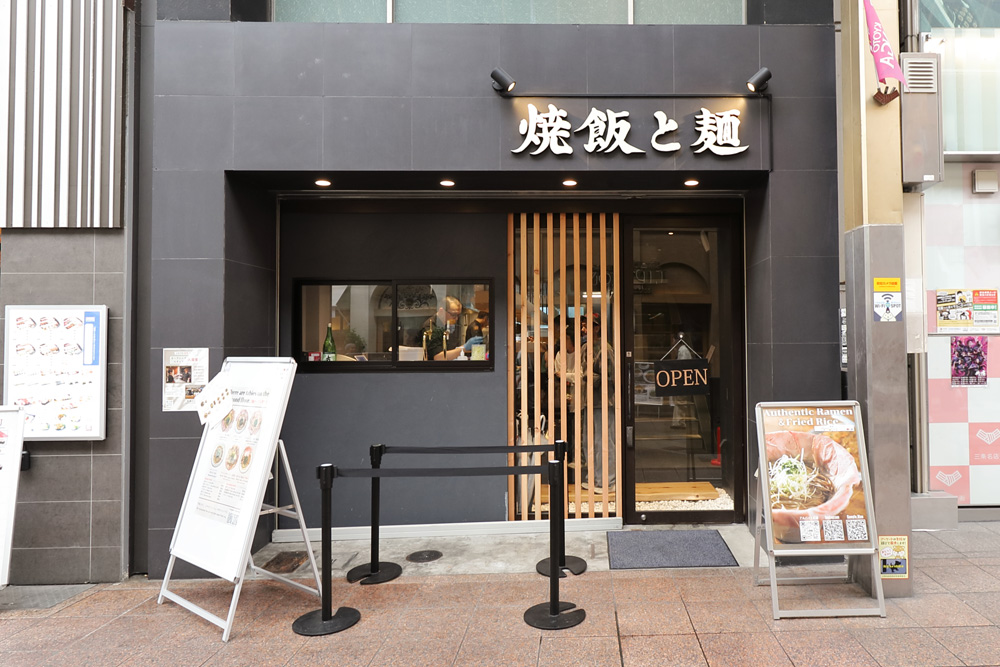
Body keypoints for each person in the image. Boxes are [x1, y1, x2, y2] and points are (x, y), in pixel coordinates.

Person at [579, 313, 615, 492]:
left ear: (597, 328)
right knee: (589, 441)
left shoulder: (605, 348)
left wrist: (590, 377)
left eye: (587, 326)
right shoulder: (585, 347)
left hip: (604, 400)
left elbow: (612, 375)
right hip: (589, 400)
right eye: (583, 325)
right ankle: (594, 477)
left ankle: (607, 480)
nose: (584, 329)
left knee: (604, 441)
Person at [424, 295, 483, 360]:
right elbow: (438, 357)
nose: (456, 318)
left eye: (458, 315)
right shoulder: (431, 327)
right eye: (453, 315)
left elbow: (450, 351)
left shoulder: (448, 326)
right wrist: (464, 348)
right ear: (441, 311)